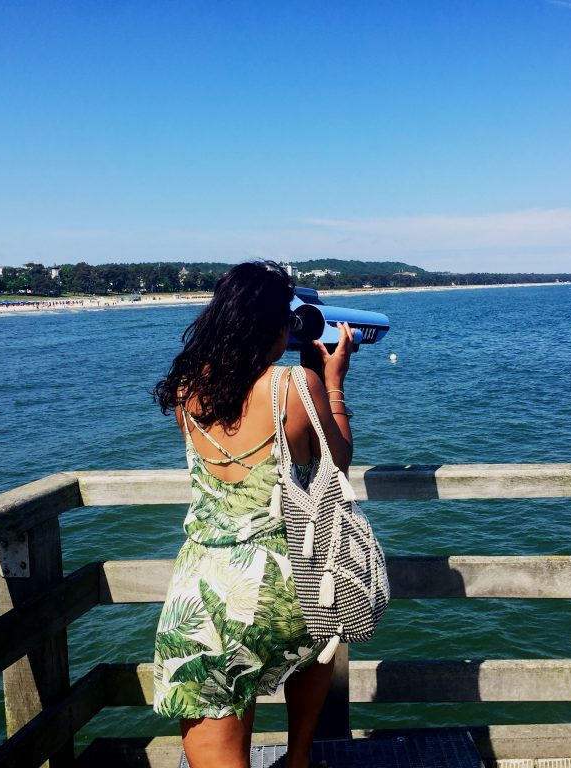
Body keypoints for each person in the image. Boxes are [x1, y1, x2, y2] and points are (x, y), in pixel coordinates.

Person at [151, 261, 355, 768]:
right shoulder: (294, 386)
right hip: (285, 585)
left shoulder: (185, 390)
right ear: (275, 326)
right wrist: (333, 381)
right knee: (316, 644)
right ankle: (299, 755)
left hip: (204, 590)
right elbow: (339, 459)